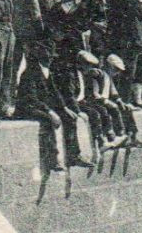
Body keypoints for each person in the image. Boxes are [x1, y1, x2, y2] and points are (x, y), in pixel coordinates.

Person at [14, 39, 89, 174]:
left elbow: (55, 93)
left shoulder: (47, 72)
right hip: (27, 108)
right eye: (47, 57)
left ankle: (74, 155)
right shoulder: (30, 73)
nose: (50, 60)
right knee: (48, 121)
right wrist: (50, 112)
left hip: (41, 106)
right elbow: (31, 98)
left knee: (69, 117)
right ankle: (52, 159)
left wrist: (64, 108)